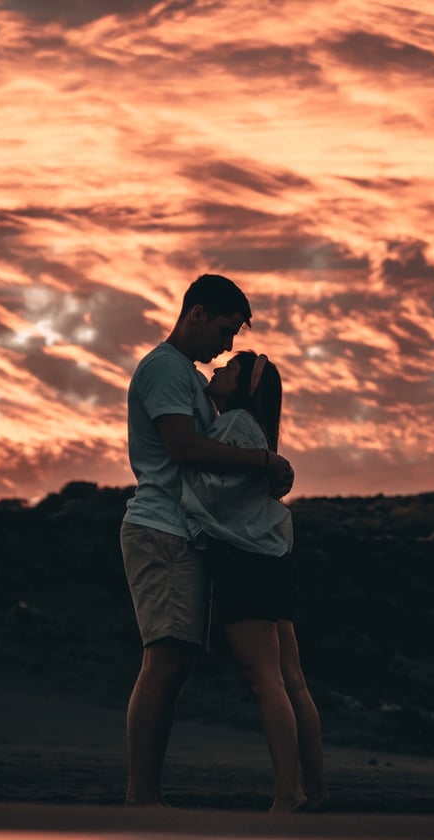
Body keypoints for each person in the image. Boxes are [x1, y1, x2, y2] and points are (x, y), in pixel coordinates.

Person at [120, 274, 294, 806]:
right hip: (162, 528)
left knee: (175, 662)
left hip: (180, 530)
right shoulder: (166, 370)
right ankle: (142, 797)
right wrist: (265, 461)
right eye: (223, 329)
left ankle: (145, 795)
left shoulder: (189, 379)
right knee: (166, 660)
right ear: (195, 314)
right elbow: (184, 448)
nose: (227, 345)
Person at [181, 350, 330, 813]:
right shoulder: (254, 429)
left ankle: (289, 793)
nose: (217, 369)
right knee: (292, 681)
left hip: (243, 559)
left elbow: (213, 493)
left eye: (229, 368)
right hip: (271, 558)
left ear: (248, 383)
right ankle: (316, 789)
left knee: (265, 679)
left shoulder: (234, 424)